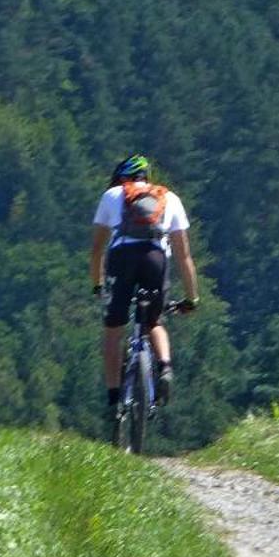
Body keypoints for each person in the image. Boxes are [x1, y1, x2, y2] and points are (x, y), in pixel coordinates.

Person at [89, 153, 197, 424]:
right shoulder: (169, 198)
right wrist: (192, 297)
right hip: (155, 259)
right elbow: (184, 255)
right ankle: (164, 367)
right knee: (154, 321)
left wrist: (97, 285)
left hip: (123, 258)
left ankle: (115, 399)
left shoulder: (112, 195)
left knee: (113, 329)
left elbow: (97, 250)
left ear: (122, 178)